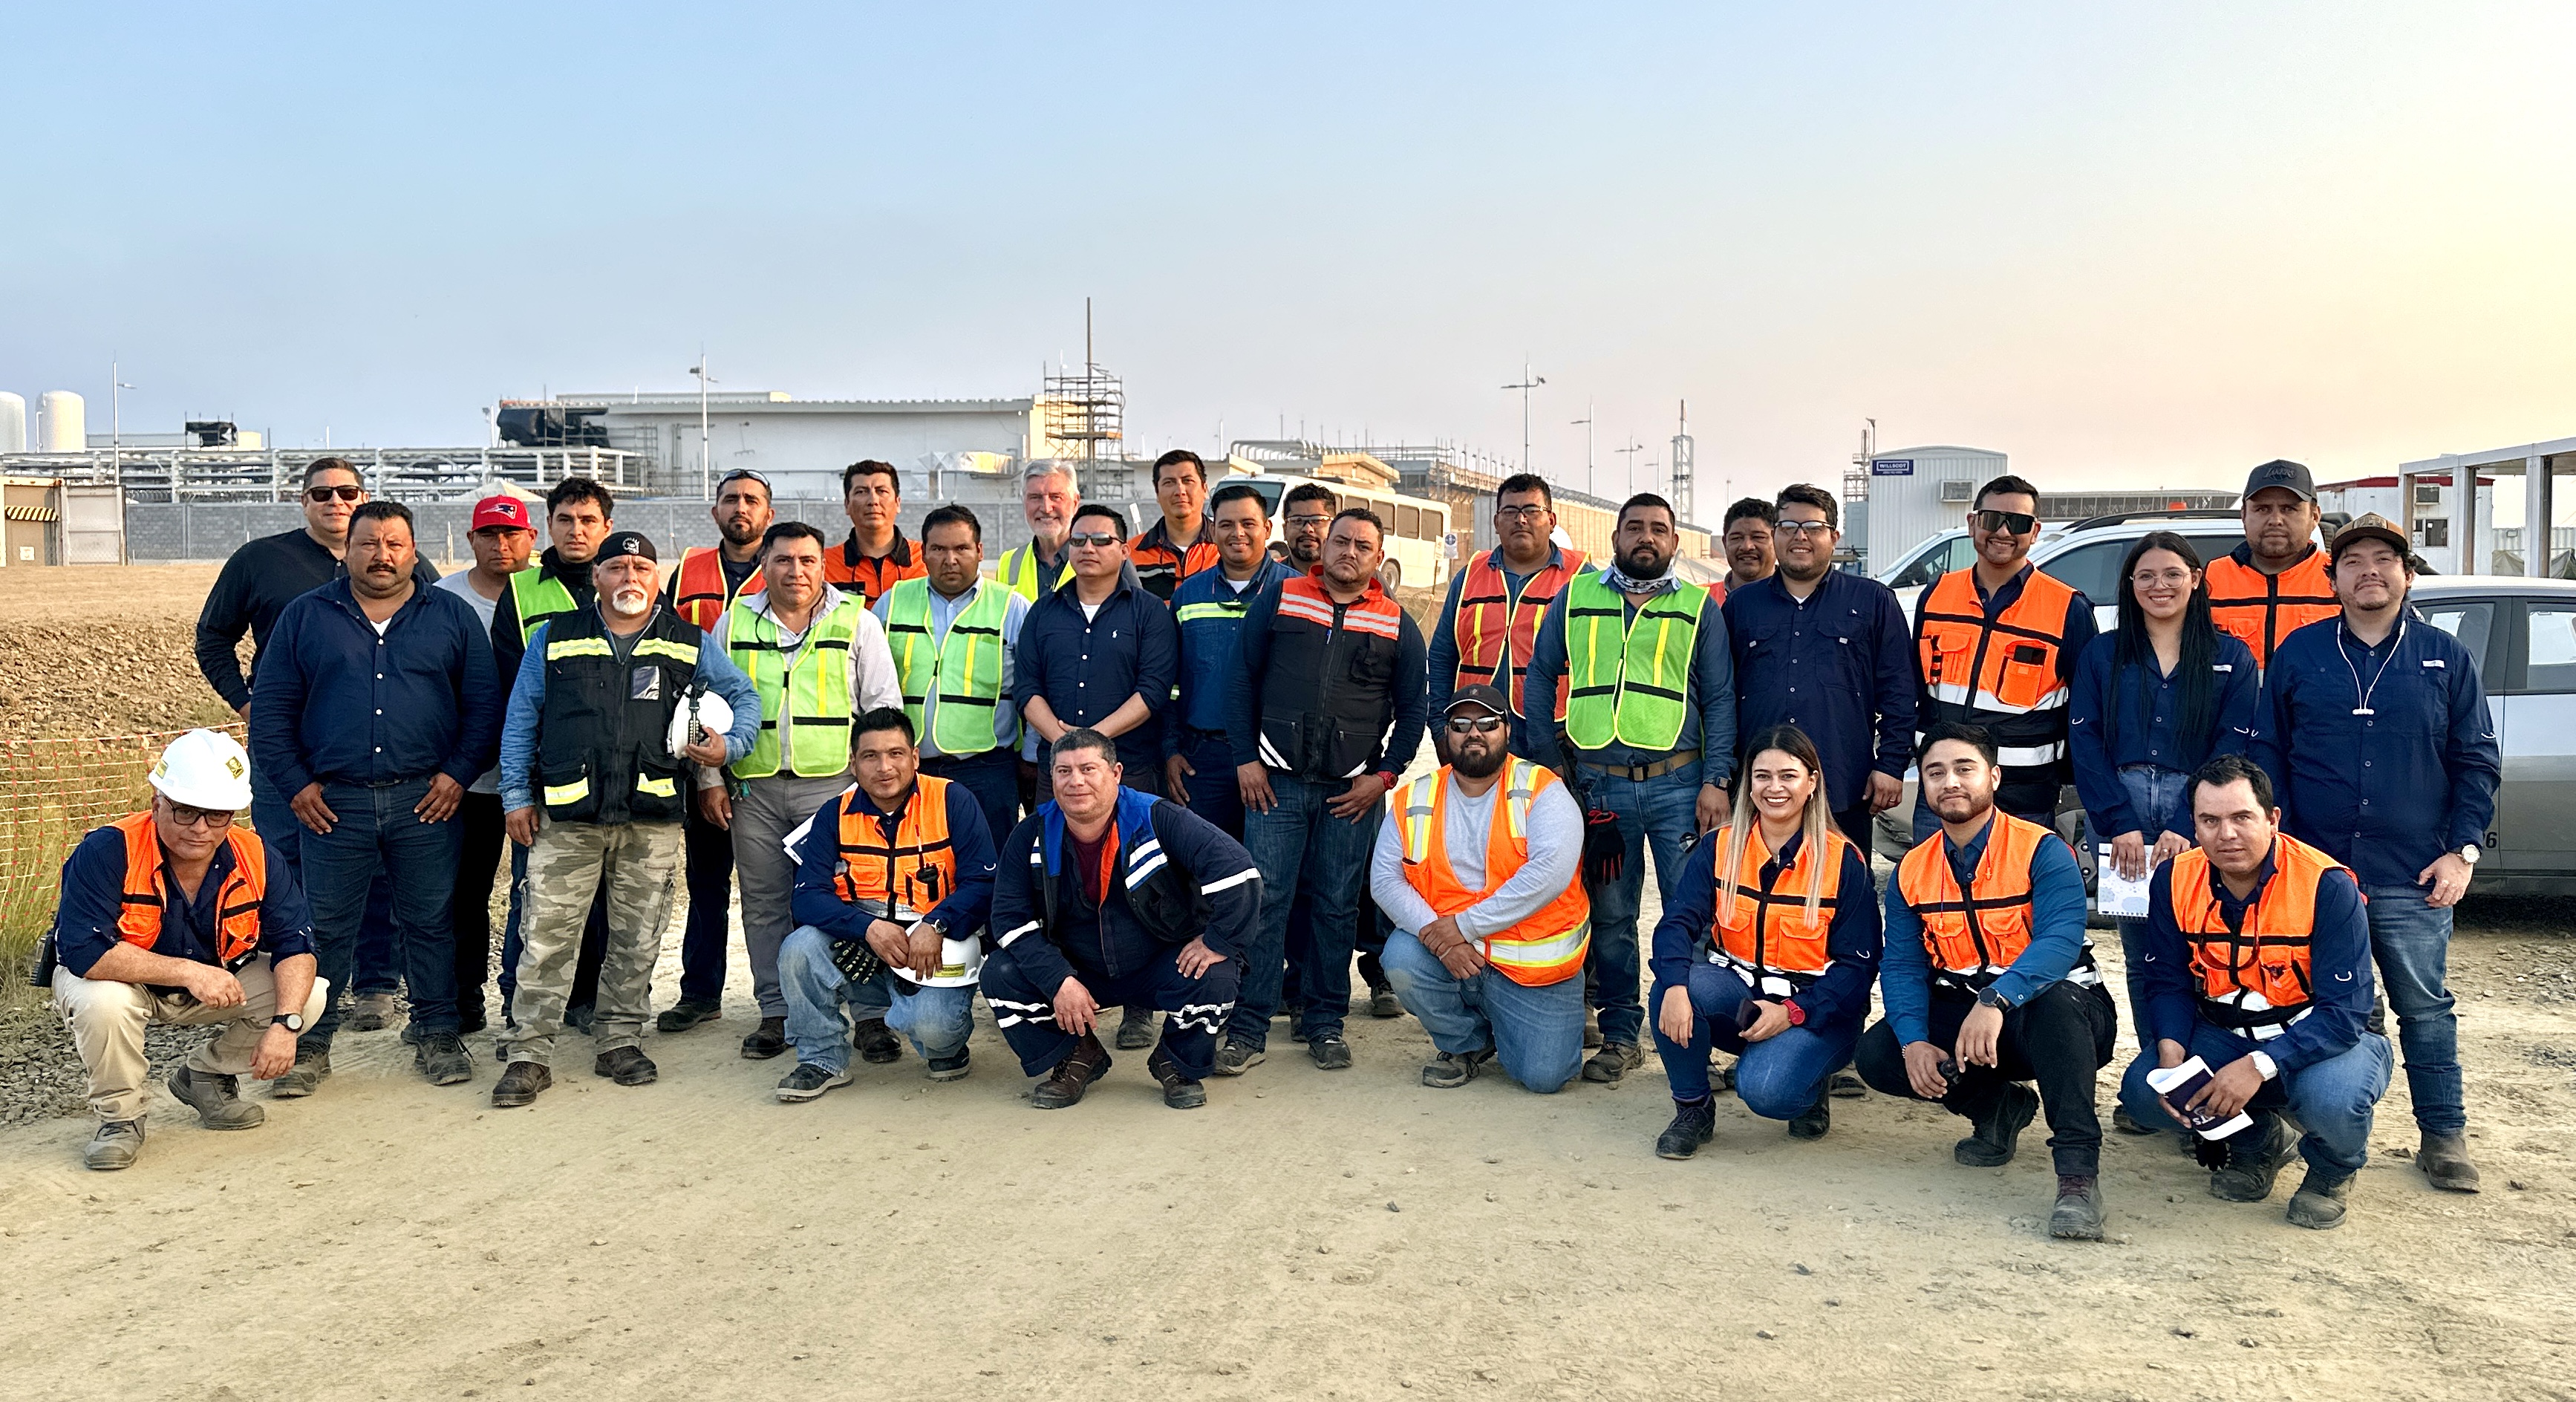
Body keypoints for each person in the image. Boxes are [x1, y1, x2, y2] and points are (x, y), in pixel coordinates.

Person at [2248, 512, 2501, 1193]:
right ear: (2331, 579)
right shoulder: (2300, 654)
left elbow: (2476, 760)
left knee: (2424, 1008)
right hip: (2316, 874)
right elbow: (2267, 754)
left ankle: (2442, 1134)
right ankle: (2316, 1131)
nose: (2368, 572)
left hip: (2411, 873)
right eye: (2352, 561)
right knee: (2322, 1008)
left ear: (2407, 575)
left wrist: (2461, 853)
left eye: (2383, 560)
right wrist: (2277, 850)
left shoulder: (2445, 657)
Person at [492, 530, 761, 1106]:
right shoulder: (554, 638)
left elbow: (744, 698)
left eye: (641, 568)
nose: (629, 578)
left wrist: (728, 747)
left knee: (637, 938)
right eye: (617, 567)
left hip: (651, 817)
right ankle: (528, 1052)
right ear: (597, 578)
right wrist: (515, 796)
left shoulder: (687, 643)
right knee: (546, 936)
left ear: (657, 579)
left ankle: (619, 1039)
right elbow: (521, 720)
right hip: (568, 817)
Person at [248, 502, 500, 1094]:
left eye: (394, 544)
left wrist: (457, 775)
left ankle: (437, 1032)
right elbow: (272, 712)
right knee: (325, 929)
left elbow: (484, 705)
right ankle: (311, 1044)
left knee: (430, 923)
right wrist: (296, 786)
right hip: (335, 805)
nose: (381, 556)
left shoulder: (451, 616)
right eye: (368, 544)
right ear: (347, 550)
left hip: (426, 802)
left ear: (413, 551)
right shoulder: (306, 616)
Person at [194, 456, 434, 1031]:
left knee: (377, 866)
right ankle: (299, 992)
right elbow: (213, 637)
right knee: (287, 866)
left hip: (370, 747)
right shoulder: (260, 560)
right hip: (285, 746)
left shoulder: (403, 563)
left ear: (364, 499)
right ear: (302, 501)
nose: (335, 502)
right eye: (321, 494)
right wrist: (247, 704)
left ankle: (376, 985)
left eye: (347, 492)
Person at [1856, 723, 2118, 1242]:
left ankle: (2077, 1176)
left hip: (2060, 1019)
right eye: (1935, 772)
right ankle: (1997, 1109)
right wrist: (1912, 1042)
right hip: (1973, 1022)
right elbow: (1903, 966)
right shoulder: (1912, 869)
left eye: (1964, 769)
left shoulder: (2042, 850)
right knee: (1880, 1053)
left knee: (2056, 1006)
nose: (1950, 782)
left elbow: (2060, 940)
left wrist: (1996, 1000)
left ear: (1994, 777)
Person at [2115, 755, 2393, 1230]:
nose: (2226, 834)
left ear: (2272, 819)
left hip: (2323, 1034)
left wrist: (2258, 1066)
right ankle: (2259, 1141)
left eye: (2242, 817)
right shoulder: (2174, 878)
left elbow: (2345, 1014)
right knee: (2143, 1092)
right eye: (2210, 820)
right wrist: (2172, 1059)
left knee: (2331, 1100)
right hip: (2225, 1029)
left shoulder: (2326, 884)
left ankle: (2332, 1170)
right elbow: (2167, 981)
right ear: (2195, 827)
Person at [1523, 493, 1736, 1086]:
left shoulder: (1698, 607)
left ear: (1674, 542)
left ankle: (1693, 1039)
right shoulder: (1575, 597)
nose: (1646, 537)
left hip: (1679, 786)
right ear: (1615, 537)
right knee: (1611, 917)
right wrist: (1550, 764)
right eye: (1634, 527)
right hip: (1600, 789)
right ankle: (1620, 1035)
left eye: (1658, 529)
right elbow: (1539, 676)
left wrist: (1717, 779)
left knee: (1691, 916)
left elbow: (1720, 698)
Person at [41, 730, 324, 1171]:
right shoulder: (108, 850)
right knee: (103, 1003)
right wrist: (191, 973)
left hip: (212, 980)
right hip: (123, 982)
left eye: (216, 815)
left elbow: (297, 944)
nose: (200, 828)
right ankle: (120, 1120)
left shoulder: (256, 855)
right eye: (186, 811)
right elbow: (83, 951)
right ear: (157, 802)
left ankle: (205, 1076)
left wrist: (285, 1026)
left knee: (308, 995)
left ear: (233, 815)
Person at [1222, 509, 1429, 1075]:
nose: (1349, 552)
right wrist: (1245, 760)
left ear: (1377, 557)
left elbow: (1414, 710)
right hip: (1275, 787)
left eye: (1362, 546)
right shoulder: (1282, 597)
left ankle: (1324, 1024)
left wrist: (1383, 777)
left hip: (1350, 795)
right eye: (1341, 541)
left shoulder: (1395, 622)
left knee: (1336, 908)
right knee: (1265, 903)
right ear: (1324, 545)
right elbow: (1239, 679)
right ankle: (1248, 1028)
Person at [692, 521, 901, 1057]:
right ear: (764, 565)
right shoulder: (733, 621)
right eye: (783, 560)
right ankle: (777, 1011)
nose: (796, 571)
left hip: (834, 788)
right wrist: (710, 778)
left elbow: (882, 706)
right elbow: (705, 704)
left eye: (807, 560)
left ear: (822, 565)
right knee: (764, 904)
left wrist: (878, 785)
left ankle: (870, 1015)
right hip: (754, 789)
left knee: (852, 897)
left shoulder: (857, 621)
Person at [980, 728, 1259, 1109]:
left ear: (1115, 773)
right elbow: (1008, 919)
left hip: (1160, 964)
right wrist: (1057, 979)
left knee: (1218, 974)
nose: (1076, 781)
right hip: (1079, 970)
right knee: (1000, 973)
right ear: (1052, 778)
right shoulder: (1031, 834)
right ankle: (1077, 1055)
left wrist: (1218, 941)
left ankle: (1176, 1063)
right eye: (1063, 771)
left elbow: (1238, 872)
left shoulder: (1157, 817)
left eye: (1088, 769)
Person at [2067, 532, 2259, 1066]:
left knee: (2206, 942)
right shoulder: (2103, 653)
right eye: (2146, 575)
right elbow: (2084, 739)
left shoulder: (2230, 656)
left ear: (2195, 579)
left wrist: (2186, 822)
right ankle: (2158, 1071)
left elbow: (2233, 745)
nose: (2160, 585)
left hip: (2202, 809)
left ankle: (2210, 1064)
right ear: (2129, 585)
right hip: (2120, 805)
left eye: (2173, 574)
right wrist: (2119, 823)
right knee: (2143, 954)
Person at [1650, 725, 1882, 1153]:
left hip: (1817, 1011)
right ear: (1748, 783)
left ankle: (1811, 1080)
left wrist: (1792, 1013)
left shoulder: (1842, 861)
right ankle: (1693, 1109)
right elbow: (1676, 924)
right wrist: (1676, 987)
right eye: (1762, 776)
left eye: (1788, 776)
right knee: (1671, 985)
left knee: (1767, 1093)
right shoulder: (1719, 846)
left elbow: (1858, 969)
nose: (1775, 788)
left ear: (1812, 783)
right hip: (1743, 999)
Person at [1373, 685, 1590, 1092]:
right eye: (1460, 724)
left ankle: (1512, 1023)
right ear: (1446, 734)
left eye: (1487, 723)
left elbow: (1549, 874)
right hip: (1452, 954)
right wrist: (1443, 943)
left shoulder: (1543, 790)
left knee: (1545, 1078)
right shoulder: (1415, 797)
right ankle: (1466, 1043)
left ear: (1507, 731)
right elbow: (1385, 881)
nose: (1474, 733)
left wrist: (1464, 927)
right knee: (1402, 957)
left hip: (1532, 969)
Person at [772, 708, 997, 1100]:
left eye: (895, 754)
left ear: (915, 757)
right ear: (853, 763)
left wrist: (937, 924)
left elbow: (984, 882)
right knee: (798, 950)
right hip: (861, 946)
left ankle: (943, 1045)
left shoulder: (952, 800)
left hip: (934, 945)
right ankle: (821, 1059)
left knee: (936, 1032)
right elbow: (807, 897)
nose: (884, 767)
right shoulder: (834, 813)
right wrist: (867, 928)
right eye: (870, 756)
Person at [488, 476, 619, 1031]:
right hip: (550, 774)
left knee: (609, 900)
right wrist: (517, 786)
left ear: (607, 527)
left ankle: (589, 1003)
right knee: (536, 897)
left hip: (619, 772)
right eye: (565, 520)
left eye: (588, 521)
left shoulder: (630, 581)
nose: (576, 531)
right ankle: (520, 1006)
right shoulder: (521, 593)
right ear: (549, 526)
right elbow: (508, 696)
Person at [1722, 484, 1913, 851]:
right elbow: (1720, 697)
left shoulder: (1872, 601)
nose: (1800, 536)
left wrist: (1891, 765)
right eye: (1788, 527)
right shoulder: (1741, 607)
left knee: (1844, 882)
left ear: (1834, 537)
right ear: (1775, 534)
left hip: (1842, 787)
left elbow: (1900, 693)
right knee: (1758, 883)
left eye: (1813, 527)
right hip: (1759, 791)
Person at [1908, 475, 2097, 840]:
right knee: (1935, 879)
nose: (2004, 532)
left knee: (2019, 881)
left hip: (2023, 798)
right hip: (1943, 793)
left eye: (2019, 523)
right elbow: (1916, 688)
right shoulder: (1936, 596)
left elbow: (2087, 707)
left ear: (2035, 531)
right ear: (1972, 523)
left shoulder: (2067, 608)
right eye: (1993, 519)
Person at [661, 468, 777, 1037]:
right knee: (706, 881)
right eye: (730, 499)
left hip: (769, 753)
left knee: (776, 889)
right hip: (699, 752)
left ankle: (786, 1001)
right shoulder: (687, 570)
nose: (740, 508)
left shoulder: (786, 569)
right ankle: (700, 993)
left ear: (768, 514)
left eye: (752, 500)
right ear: (715, 512)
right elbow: (668, 657)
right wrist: (704, 771)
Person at [433, 493, 538, 1035]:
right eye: (490, 535)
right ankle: (462, 1001)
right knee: (464, 894)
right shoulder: (441, 599)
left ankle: (528, 1002)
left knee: (534, 894)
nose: (502, 545)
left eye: (512, 533)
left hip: (535, 778)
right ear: (471, 539)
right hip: (466, 780)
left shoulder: (547, 594)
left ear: (531, 538)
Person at [878, 504, 1031, 857]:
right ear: (923, 553)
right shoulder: (892, 603)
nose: (950, 560)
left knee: (990, 868)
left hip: (988, 770)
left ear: (979, 551)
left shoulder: (1012, 608)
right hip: (911, 769)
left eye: (961, 548)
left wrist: (1032, 757)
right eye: (939, 549)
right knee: (915, 868)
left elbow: (1033, 688)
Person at [1014, 503, 1178, 798]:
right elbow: (1027, 687)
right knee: (1053, 831)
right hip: (1058, 769)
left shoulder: (1149, 612)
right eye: (1078, 541)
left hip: (1129, 769)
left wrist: (1093, 739)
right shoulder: (1043, 612)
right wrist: (1064, 742)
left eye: (1102, 540)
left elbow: (1154, 689)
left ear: (1124, 551)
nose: (1088, 548)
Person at [1426, 473, 1588, 760]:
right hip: (1477, 735)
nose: (1521, 520)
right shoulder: (1468, 577)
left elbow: (1603, 663)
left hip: (1555, 738)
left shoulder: (1582, 580)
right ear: (1496, 522)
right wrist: (1440, 730)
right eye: (1510, 511)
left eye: (1532, 511)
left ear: (1551, 521)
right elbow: (1441, 658)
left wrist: (1584, 729)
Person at [1166, 482, 1294, 837]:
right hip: (1202, 761)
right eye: (1226, 524)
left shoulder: (1298, 594)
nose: (1237, 533)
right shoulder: (1188, 596)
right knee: (1204, 862)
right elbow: (1170, 683)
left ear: (1267, 528)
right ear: (1213, 530)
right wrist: (1170, 751)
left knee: (1269, 867)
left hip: (1278, 762)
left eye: (1248, 523)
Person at [2205, 460, 2336, 671]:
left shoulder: (2340, 578)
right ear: (2244, 515)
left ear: (2315, 516)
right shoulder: (2209, 579)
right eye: (2262, 509)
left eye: (2289, 509)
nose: (2275, 520)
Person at [822, 459, 925, 606]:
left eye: (881, 491)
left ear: (898, 503)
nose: (873, 500)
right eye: (861, 492)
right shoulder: (824, 564)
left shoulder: (926, 559)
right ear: (847, 504)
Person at [1128, 449, 1221, 601]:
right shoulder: (1131, 554)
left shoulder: (1227, 548)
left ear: (1205, 490)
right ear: (1157, 494)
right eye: (1169, 482)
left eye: (1187, 481)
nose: (1180, 491)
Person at [994, 460, 1079, 601]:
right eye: (1035, 497)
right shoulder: (1009, 563)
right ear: (1024, 502)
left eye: (1056, 497)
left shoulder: (1100, 560)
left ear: (1075, 503)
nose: (1046, 508)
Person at [1719, 498, 1777, 595]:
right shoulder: (1701, 599)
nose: (1747, 547)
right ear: (1725, 543)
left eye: (1758, 537)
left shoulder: (1801, 598)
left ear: (1777, 541)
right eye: (1737, 538)